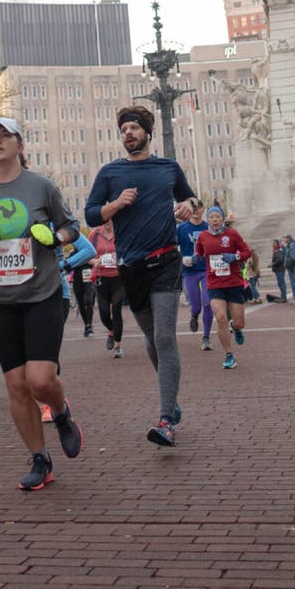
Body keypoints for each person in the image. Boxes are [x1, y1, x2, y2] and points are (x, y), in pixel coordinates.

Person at [0, 117, 82, 490]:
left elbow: (73, 226)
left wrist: (54, 236)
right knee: (16, 385)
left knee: (40, 380)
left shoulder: (40, 186)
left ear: (19, 144)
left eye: (4, 136)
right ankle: (40, 459)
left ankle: (60, 412)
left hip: (41, 294)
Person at [84, 104, 197, 448]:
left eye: (133, 128)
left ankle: (165, 421)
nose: (128, 134)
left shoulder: (167, 167)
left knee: (164, 338)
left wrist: (190, 205)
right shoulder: (110, 173)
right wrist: (116, 205)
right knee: (150, 339)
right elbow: (91, 215)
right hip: (130, 267)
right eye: (123, 130)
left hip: (164, 261)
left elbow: (191, 196)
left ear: (147, 132)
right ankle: (171, 400)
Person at [192, 206, 250, 369]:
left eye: (218, 217)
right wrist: (196, 257)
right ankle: (229, 355)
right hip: (214, 283)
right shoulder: (203, 236)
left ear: (222, 219)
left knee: (239, 322)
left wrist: (235, 257)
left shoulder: (232, 234)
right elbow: (199, 251)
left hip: (234, 282)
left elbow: (247, 252)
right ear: (208, 220)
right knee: (221, 318)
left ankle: (236, 328)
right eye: (212, 217)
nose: (215, 219)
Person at [175, 203, 215, 348]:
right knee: (196, 306)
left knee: (208, 303)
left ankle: (206, 337)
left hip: (206, 270)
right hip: (189, 271)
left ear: (203, 210)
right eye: (194, 208)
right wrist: (182, 258)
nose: (196, 211)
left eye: (199, 208)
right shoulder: (181, 228)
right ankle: (194, 315)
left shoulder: (208, 228)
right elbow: (172, 248)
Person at [91, 223, 125, 357]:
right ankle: (111, 330)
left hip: (119, 277)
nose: (107, 221)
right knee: (103, 313)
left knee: (116, 309)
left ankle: (118, 346)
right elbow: (87, 254)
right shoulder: (94, 234)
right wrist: (94, 261)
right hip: (101, 277)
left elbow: (129, 250)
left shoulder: (121, 231)